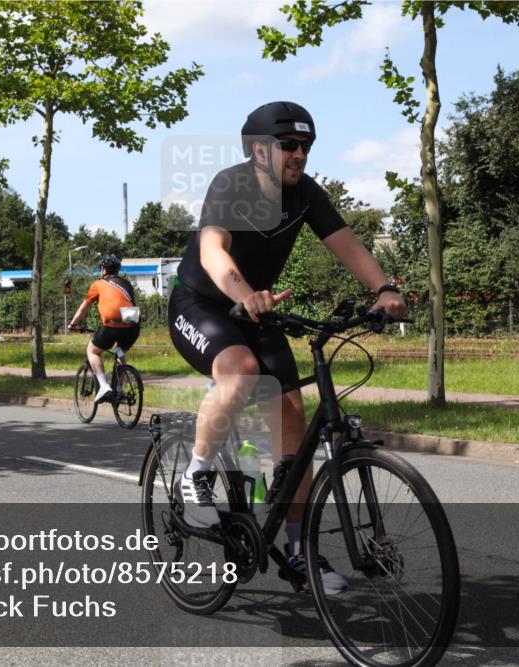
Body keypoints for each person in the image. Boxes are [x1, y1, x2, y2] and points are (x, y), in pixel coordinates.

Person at [167, 101, 407, 594]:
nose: (300, 154)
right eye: (289, 145)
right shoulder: (231, 185)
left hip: (259, 309)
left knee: (293, 418)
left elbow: (348, 245)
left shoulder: (305, 194)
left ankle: (300, 553)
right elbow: (212, 251)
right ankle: (196, 475)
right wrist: (243, 294)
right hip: (202, 303)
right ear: (259, 151)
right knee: (240, 369)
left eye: (306, 146)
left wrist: (383, 289)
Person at [68, 255, 141, 403]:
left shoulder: (98, 284)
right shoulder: (126, 284)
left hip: (113, 325)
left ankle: (103, 386)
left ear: (103, 270)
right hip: (133, 326)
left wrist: (73, 324)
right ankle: (119, 391)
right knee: (119, 351)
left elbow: (83, 309)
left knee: (92, 351)